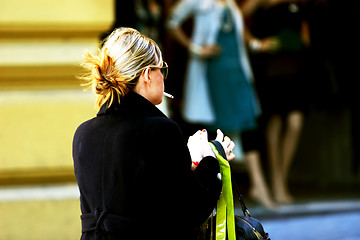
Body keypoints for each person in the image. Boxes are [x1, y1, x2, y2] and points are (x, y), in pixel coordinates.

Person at [72, 27, 236, 240]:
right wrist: (210, 158)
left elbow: (135, 191)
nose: (164, 76)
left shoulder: (83, 133)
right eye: (162, 69)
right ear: (147, 74)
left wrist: (189, 160)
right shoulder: (160, 129)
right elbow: (191, 210)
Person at [167, 0, 275, 208]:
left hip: (237, 71)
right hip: (215, 73)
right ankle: (226, 193)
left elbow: (239, 30)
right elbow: (172, 21)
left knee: (247, 121)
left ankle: (257, 186)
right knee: (220, 132)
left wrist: (256, 44)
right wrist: (195, 48)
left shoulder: (231, 3)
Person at [241, 0, 311, 204]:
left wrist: (294, 41)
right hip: (270, 68)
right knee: (274, 123)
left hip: (295, 67)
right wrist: (255, 42)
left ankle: (281, 179)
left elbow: (306, 37)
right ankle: (277, 184)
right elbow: (237, 16)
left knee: (295, 122)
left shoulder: (297, 4)